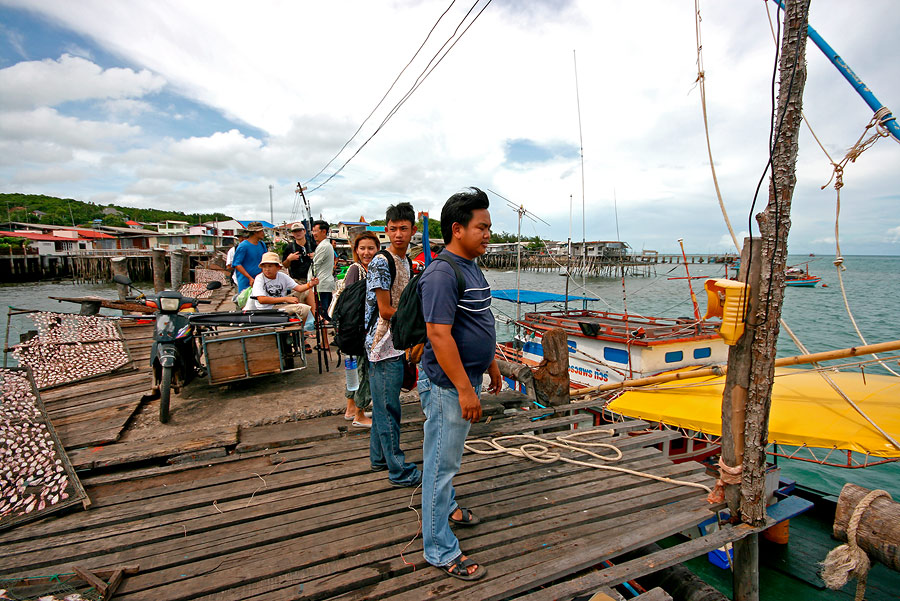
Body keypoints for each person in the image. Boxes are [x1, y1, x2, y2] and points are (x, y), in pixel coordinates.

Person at [417, 187, 500, 581]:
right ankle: (438, 548)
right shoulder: (441, 272)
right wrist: (466, 389)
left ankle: (446, 508)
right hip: (447, 387)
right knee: (440, 466)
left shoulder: (473, 265)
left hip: (469, 378)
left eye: (488, 227)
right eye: (481, 227)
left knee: (447, 461)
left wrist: (492, 364)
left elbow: (476, 321)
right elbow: (438, 334)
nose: (488, 234)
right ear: (457, 229)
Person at [365, 202, 420, 487]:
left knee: (384, 405)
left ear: (413, 231)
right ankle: (398, 470)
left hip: (395, 342)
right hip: (380, 344)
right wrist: (421, 322)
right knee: (389, 409)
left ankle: (378, 458)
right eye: (393, 229)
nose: (398, 234)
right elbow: (385, 310)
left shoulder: (406, 262)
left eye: (404, 229)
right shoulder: (380, 261)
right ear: (386, 230)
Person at [341, 231, 380, 428]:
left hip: (353, 330)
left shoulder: (365, 268)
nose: (367, 252)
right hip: (358, 329)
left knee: (354, 370)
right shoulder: (357, 270)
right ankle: (360, 414)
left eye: (371, 248)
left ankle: (350, 409)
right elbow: (352, 303)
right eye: (362, 248)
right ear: (356, 250)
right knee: (364, 370)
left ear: (378, 249)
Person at [244, 252, 318, 320]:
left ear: (278, 267)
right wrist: (285, 299)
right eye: (264, 267)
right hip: (268, 308)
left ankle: (316, 316)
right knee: (303, 309)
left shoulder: (282, 276)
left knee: (307, 291)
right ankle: (299, 330)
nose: (267, 269)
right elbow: (262, 300)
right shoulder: (260, 278)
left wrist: (310, 284)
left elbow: (299, 288)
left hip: (281, 304)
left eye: (270, 266)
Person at [308, 220, 335, 320]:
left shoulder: (324, 246)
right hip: (323, 284)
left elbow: (316, 265)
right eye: (313, 231)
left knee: (323, 314)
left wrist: (309, 283)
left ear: (324, 232)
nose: (314, 234)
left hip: (321, 285)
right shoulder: (324, 245)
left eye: (316, 231)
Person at [232, 222, 268, 292]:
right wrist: (249, 278)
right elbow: (237, 264)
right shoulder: (243, 246)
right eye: (261, 231)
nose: (263, 233)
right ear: (255, 233)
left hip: (260, 279)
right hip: (246, 281)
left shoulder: (262, 244)